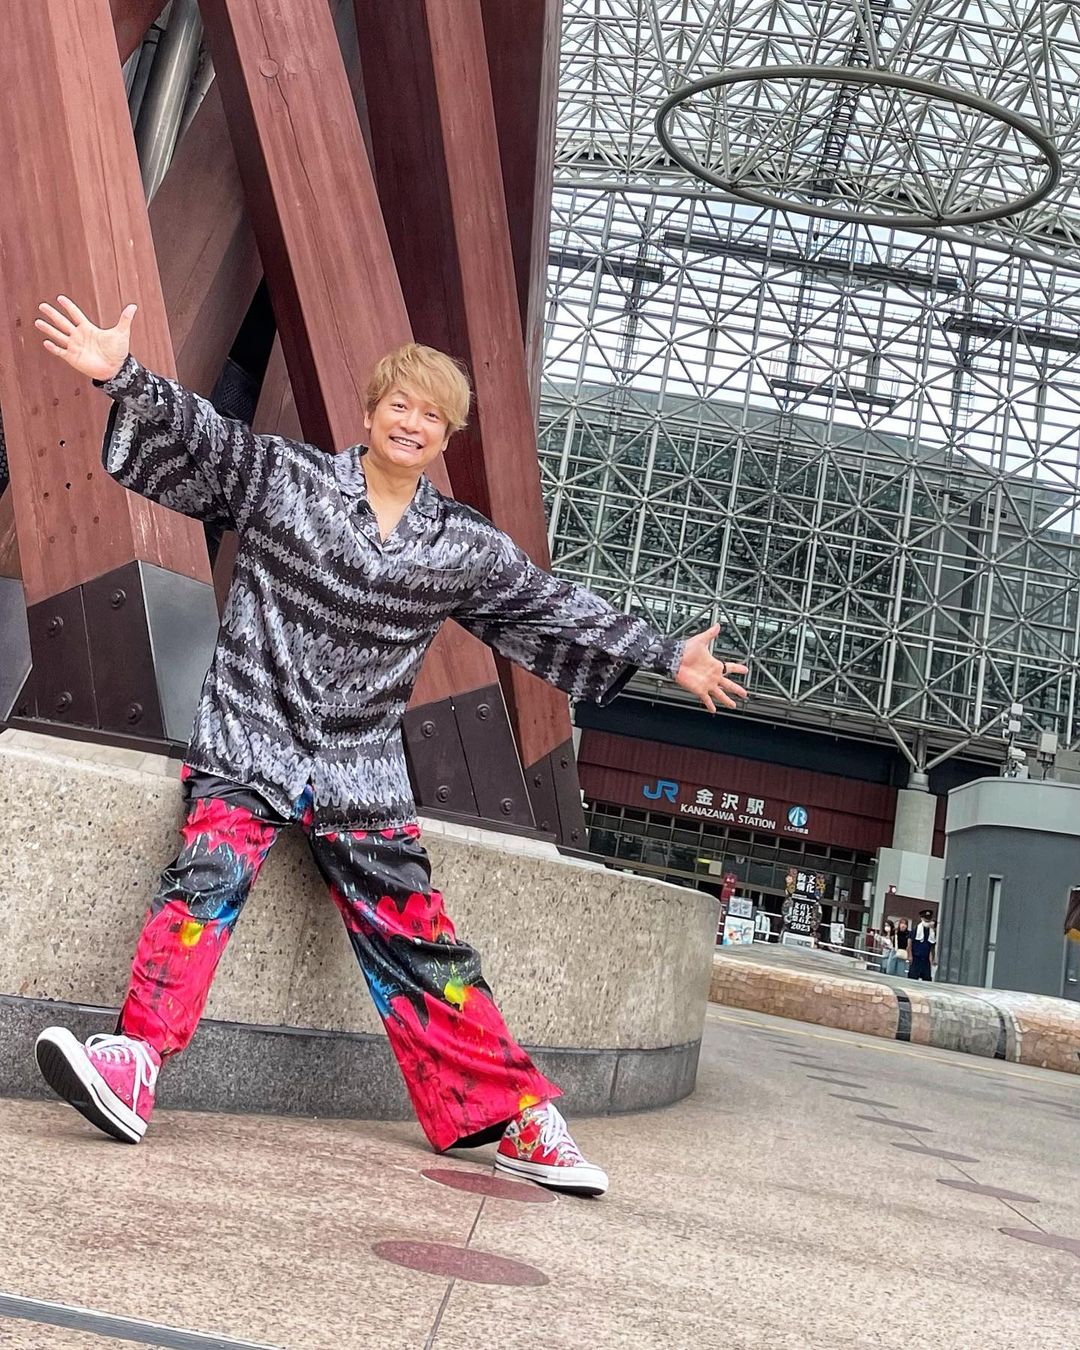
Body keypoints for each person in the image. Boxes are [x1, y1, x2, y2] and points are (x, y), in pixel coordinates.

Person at [30, 295, 749, 1198]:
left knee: (420, 940)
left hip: (361, 771)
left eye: (432, 415)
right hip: (251, 733)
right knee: (204, 880)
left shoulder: (461, 546)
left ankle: (521, 1120)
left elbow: (550, 604)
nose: (413, 423)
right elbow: (211, 438)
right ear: (370, 413)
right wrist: (123, 376)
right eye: (400, 405)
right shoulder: (288, 478)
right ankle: (135, 1060)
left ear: (446, 436)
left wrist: (665, 653)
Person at [909, 909, 937, 981]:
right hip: (916, 958)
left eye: (929, 919)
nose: (927, 921)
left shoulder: (932, 931)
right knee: (912, 978)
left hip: (926, 959)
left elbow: (932, 946)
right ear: (922, 918)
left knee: (927, 979)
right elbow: (910, 943)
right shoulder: (916, 929)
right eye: (925, 919)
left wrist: (933, 958)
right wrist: (910, 955)